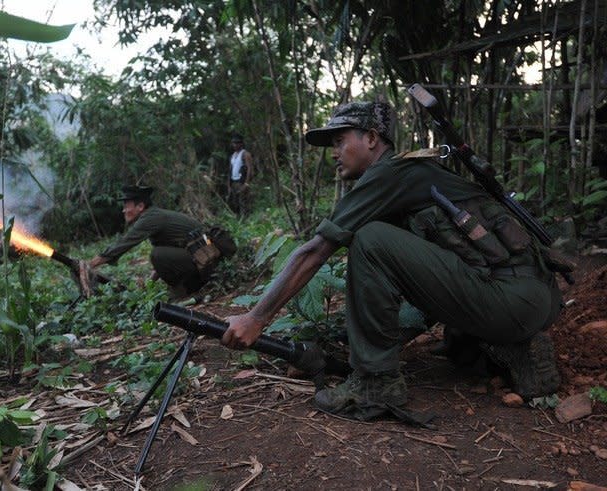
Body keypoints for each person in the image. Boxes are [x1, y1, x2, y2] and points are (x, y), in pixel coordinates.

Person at [221, 101, 562, 415]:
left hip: (509, 298)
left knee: (370, 240)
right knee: (457, 348)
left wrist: (257, 317)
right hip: (534, 299)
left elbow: (316, 249)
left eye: (340, 142)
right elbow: (428, 274)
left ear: (371, 138)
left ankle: (376, 382)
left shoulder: (390, 174)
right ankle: (510, 350)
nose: (334, 154)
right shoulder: (410, 173)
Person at [85, 185, 220, 298]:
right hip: (204, 260)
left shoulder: (150, 218)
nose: (123, 210)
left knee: (157, 254)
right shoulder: (153, 216)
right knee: (160, 253)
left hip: (207, 261)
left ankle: (184, 291)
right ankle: (188, 286)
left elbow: (123, 244)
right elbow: (166, 257)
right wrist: (150, 283)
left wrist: (90, 265)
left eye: (126, 206)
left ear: (140, 206)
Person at [227, 134, 253, 216]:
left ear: (241, 144)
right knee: (235, 203)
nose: (234, 145)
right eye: (233, 143)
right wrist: (228, 185)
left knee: (243, 202)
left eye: (236, 143)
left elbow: (249, 169)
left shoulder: (245, 154)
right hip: (234, 182)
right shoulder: (233, 156)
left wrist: (246, 183)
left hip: (241, 181)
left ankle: (245, 221)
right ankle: (238, 221)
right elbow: (230, 170)